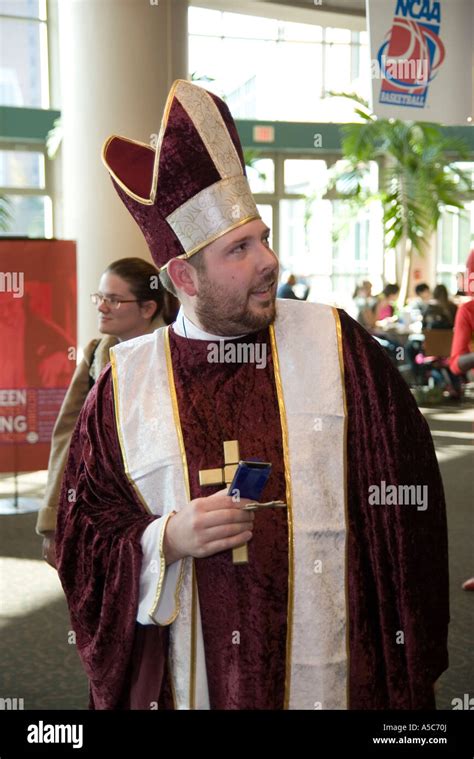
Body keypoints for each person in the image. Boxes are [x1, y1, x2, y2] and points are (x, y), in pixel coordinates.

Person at [56, 80, 448, 710]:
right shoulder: (126, 384)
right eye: (240, 249)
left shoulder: (337, 345)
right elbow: (82, 538)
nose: (269, 260)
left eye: (262, 237)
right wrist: (164, 540)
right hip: (195, 678)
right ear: (183, 276)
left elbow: (407, 509)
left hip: (335, 675)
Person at [36, 257, 171, 568]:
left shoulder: (172, 359)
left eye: (114, 300)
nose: (102, 307)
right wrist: (51, 522)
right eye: (100, 297)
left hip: (159, 513)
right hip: (100, 513)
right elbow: (68, 438)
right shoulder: (96, 353)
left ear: (148, 308)